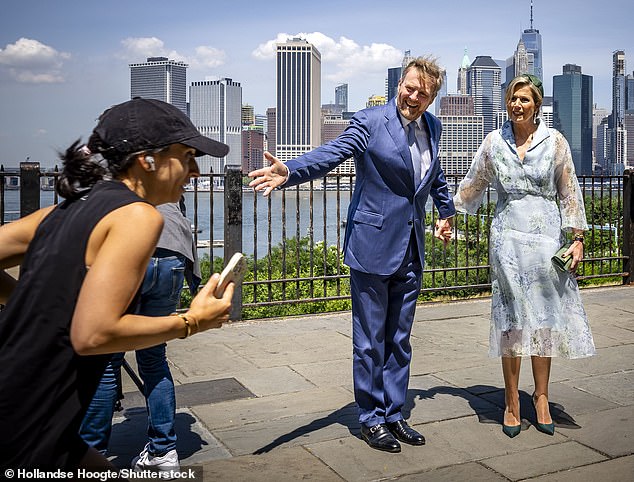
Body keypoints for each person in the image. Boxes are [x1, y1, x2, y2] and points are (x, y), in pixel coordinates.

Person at [0, 97, 235, 470]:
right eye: (188, 156)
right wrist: (192, 322)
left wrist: (25, 303)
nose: (196, 172)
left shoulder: (63, 210)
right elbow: (93, 336)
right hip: (31, 418)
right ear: (148, 159)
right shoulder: (139, 216)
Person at [248, 57, 455, 453]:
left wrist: (444, 211)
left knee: (399, 340)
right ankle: (371, 418)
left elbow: (434, 174)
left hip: (410, 249)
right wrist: (289, 171)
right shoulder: (370, 121)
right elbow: (332, 153)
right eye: (409, 87)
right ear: (400, 83)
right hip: (372, 246)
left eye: (422, 93)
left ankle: (395, 414)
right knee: (369, 342)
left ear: (432, 98)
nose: (412, 96)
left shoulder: (433, 126)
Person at [453, 74, 596, 438]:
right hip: (507, 241)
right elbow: (472, 185)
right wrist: (445, 213)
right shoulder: (493, 142)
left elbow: (570, 192)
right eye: (512, 98)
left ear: (537, 105)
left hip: (547, 240)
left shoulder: (556, 143)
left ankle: (543, 397)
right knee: (511, 321)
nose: (517, 105)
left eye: (525, 99)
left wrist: (577, 238)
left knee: (545, 319)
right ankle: (513, 401)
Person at [79, 200, 200, 473]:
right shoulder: (165, 164)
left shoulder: (113, 166)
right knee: (155, 356)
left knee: (107, 359)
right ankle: (164, 451)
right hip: (172, 252)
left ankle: (91, 454)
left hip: (127, 251)